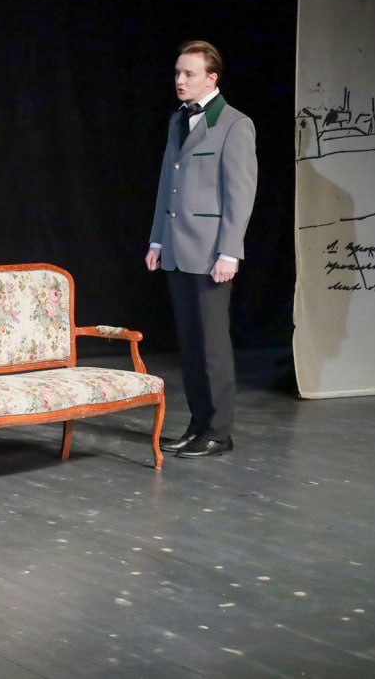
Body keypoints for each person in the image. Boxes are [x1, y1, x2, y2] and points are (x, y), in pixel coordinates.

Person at [145, 40, 257, 459]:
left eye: (189, 74)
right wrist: (157, 239)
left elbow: (240, 195)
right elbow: (166, 184)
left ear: (212, 78)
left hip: (210, 252)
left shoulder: (234, 124)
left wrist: (230, 252)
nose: (180, 80)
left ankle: (219, 432)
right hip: (177, 248)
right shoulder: (178, 120)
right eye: (178, 72)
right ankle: (198, 423)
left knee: (212, 345)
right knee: (190, 344)